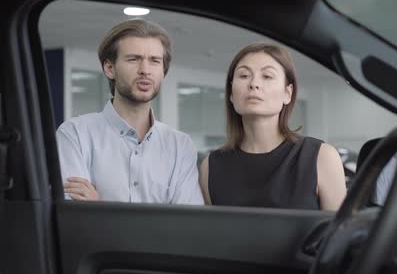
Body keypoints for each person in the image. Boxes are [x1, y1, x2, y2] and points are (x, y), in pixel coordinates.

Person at [56, 19, 203, 204]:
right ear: (109, 68)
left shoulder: (180, 146)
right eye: (134, 59)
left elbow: (187, 223)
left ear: (163, 71)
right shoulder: (75, 134)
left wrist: (99, 205)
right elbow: (74, 218)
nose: (145, 70)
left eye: (155, 61)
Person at [199, 43, 347, 211]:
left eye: (267, 76)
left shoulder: (321, 157)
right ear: (231, 94)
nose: (254, 84)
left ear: (287, 93)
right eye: (244, 75)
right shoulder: (211, 167)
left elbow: (340, 234)